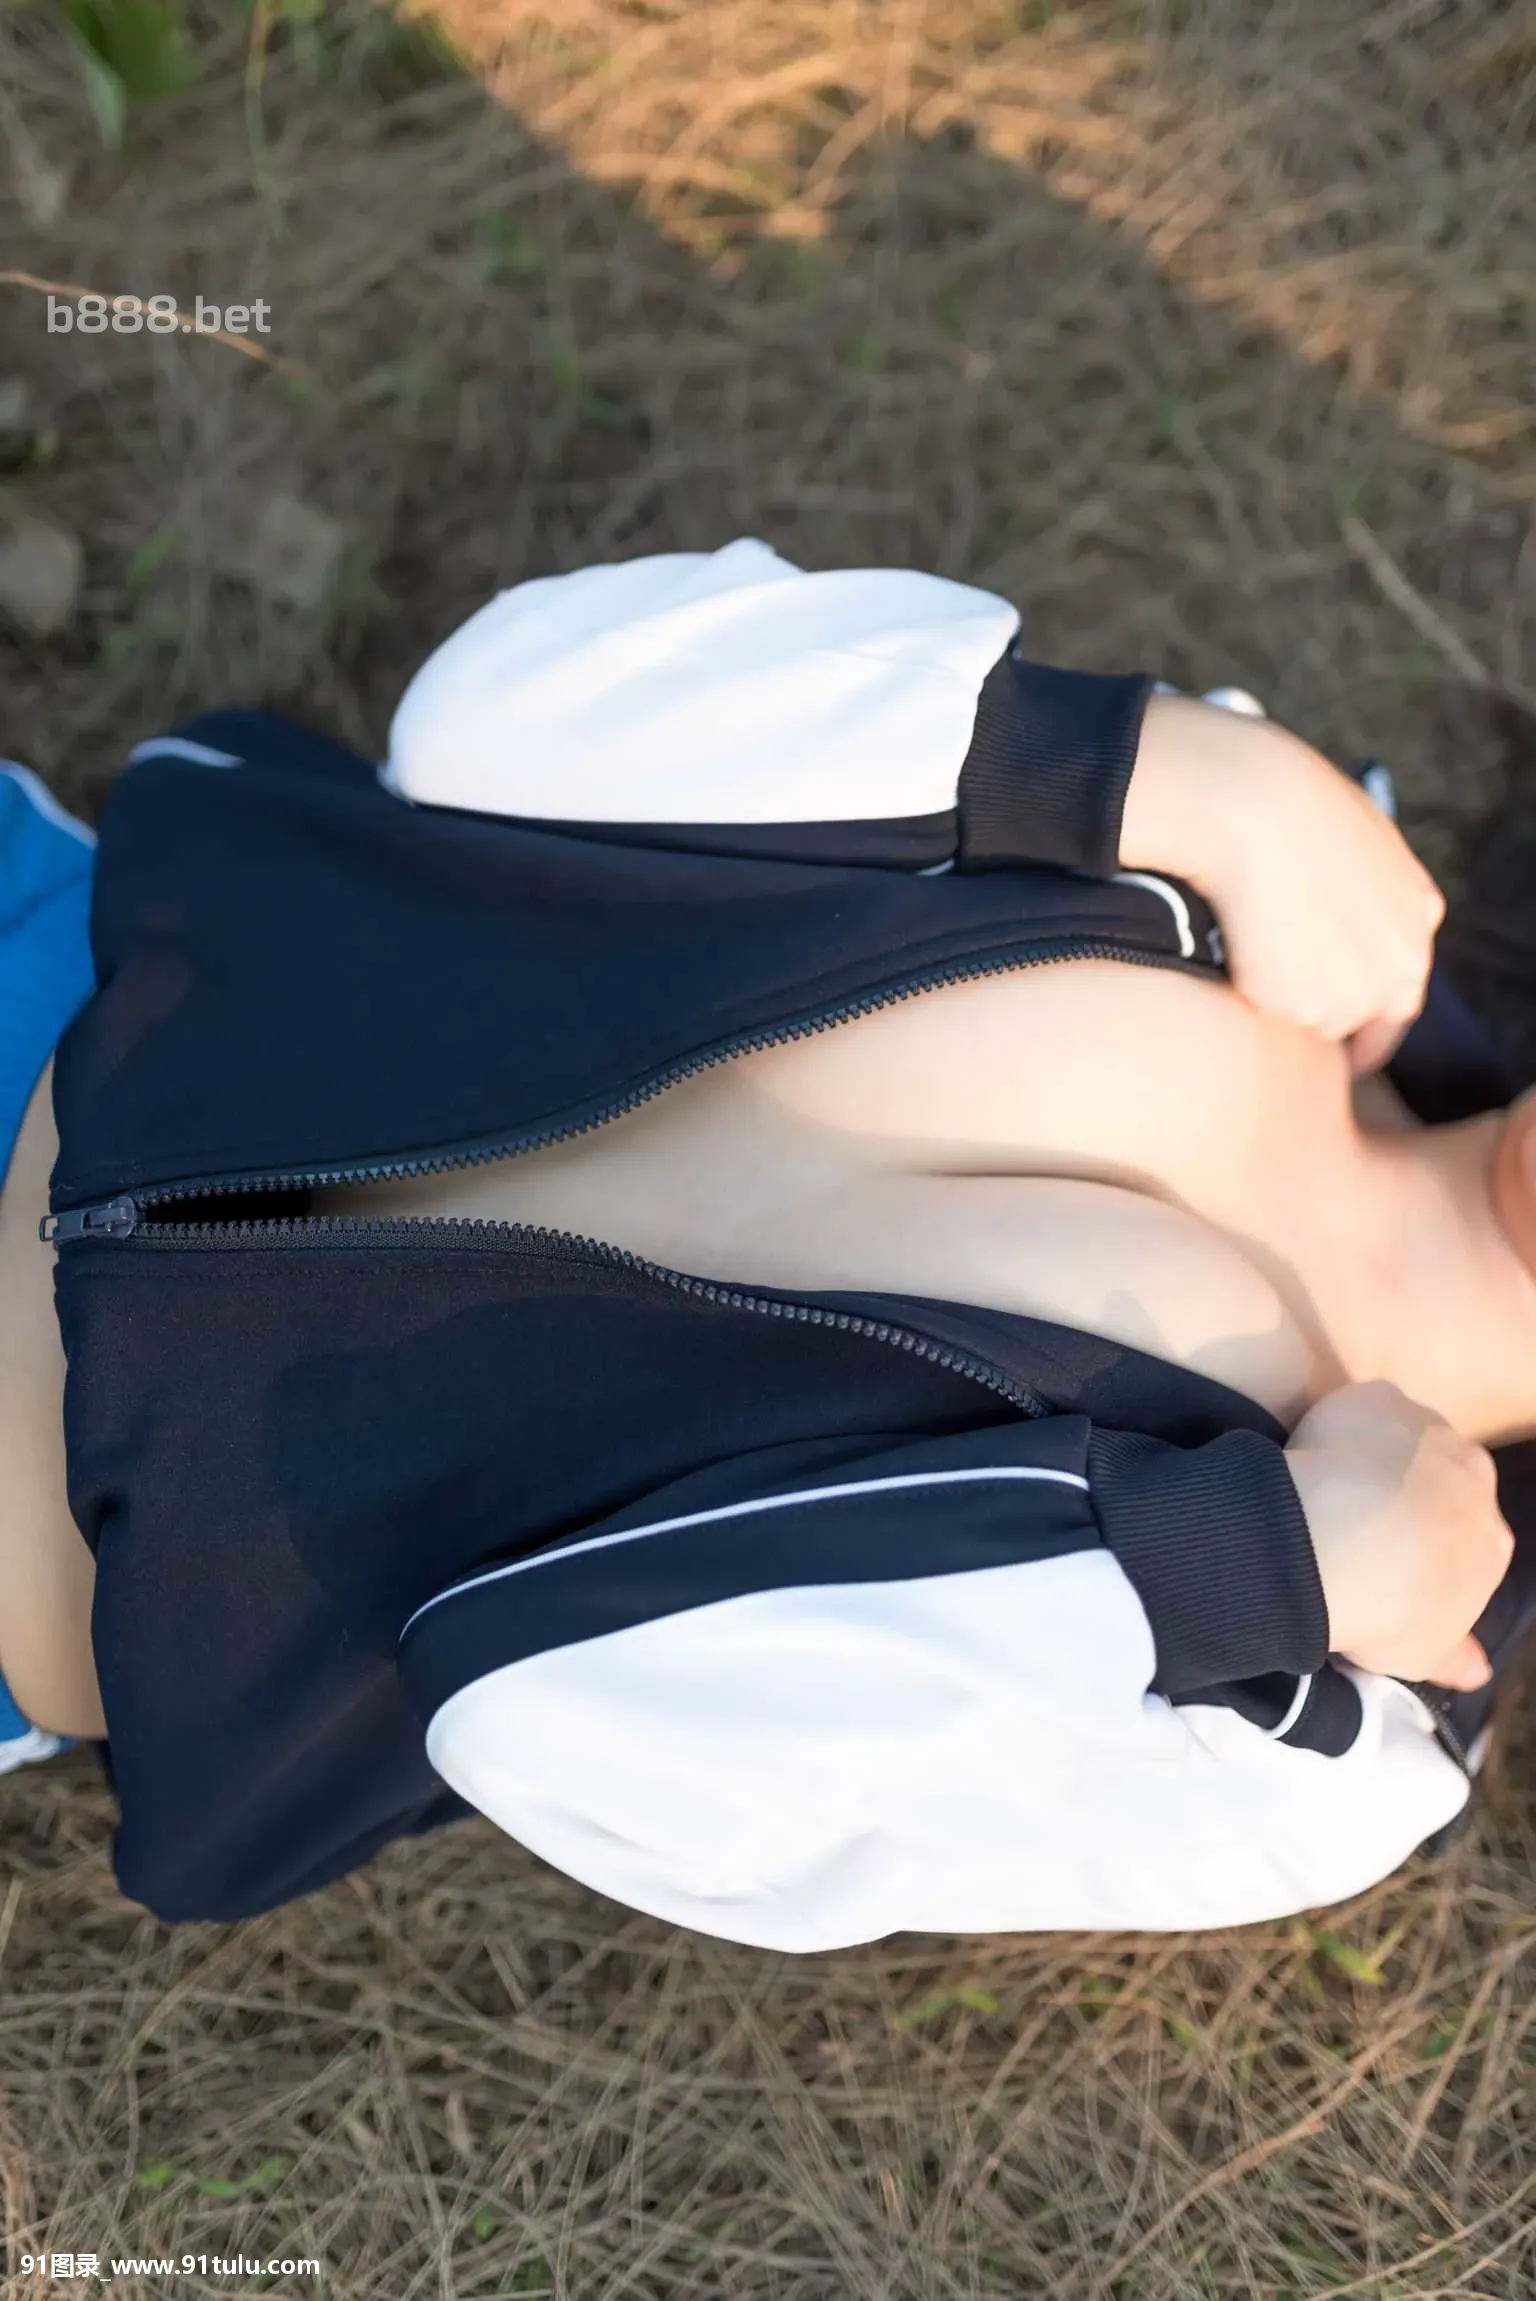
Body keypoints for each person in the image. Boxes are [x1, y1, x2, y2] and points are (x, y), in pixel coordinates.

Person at [4, 538, 1535, 1949]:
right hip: (56, 957)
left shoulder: (1341, 1735)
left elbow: (565, 1725)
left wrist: (1251, 1575)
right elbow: (490, 727)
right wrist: (1126, 766)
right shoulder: (1266, 881)